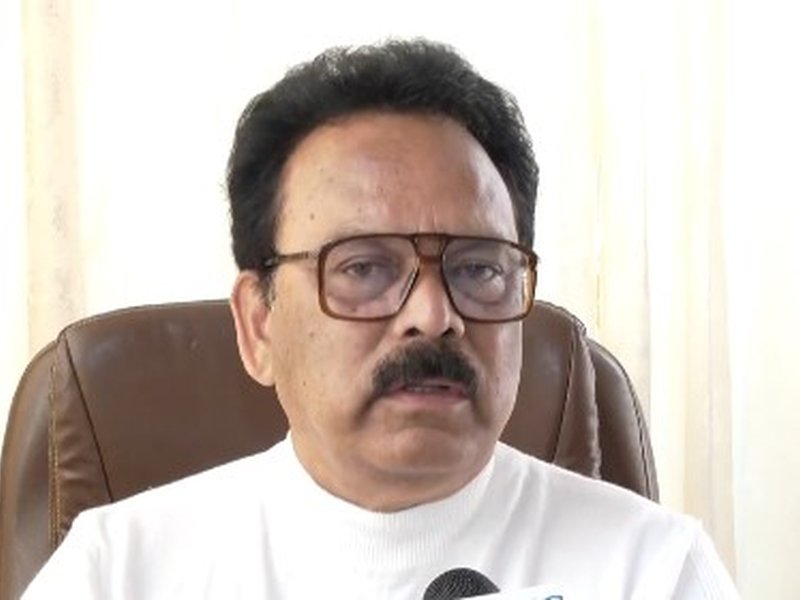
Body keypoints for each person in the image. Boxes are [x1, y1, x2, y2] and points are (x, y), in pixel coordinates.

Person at [22, 39, 738, 599]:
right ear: (259, 325)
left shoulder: (654, 571)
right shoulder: (118, 572)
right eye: (364, 268)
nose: (434, 316)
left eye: (479, 269)